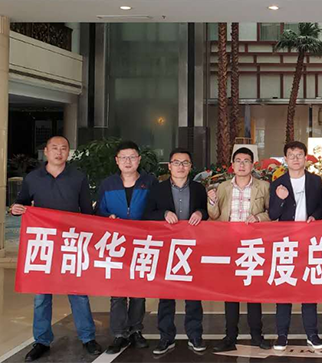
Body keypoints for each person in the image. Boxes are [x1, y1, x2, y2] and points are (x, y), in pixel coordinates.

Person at [11, 136, 103, 361]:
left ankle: (88, 337)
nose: (59, 152)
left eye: (64, 148)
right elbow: (22, 203)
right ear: (46, 151)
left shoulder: (78, 177)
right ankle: (42, 340)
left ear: (68, 153)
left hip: (71, 243)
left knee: (78, 293)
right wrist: (15, 209)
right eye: (54, 148)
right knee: (41, 296)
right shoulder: (33, 178)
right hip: (44, 245)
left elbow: (86, 212)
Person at [143, 148, 209, 355]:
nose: (181, 167)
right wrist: (164, 213)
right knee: (166, 296)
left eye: (185, 163)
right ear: (169, 166)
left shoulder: (199, 188)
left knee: (193, 295)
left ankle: (195, 335)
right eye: (177, 163)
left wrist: (200, 213)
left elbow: (206, 211)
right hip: (167, 248)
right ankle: (166, 337)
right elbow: (148, 213)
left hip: (191, 248)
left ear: (190, 166)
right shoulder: (157, 189)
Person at [207, 147, 272, 352]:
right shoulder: (223, 187)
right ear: (232, 165)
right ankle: (230, 336)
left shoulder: (263, 186)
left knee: (254, 293)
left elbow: (272, 213)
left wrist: (259, 218)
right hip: (229, 245)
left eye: (246, 161)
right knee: (231, 293)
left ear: (253, 165)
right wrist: (212, 200)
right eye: (238, 161)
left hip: (253, 246)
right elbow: (214, 215)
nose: (242, 164)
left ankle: (257, 335)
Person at [95, 140, 156, 354]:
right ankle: (119, 334)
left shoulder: (150, 182)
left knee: (138, 291)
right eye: (123, 158)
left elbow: (157, 209)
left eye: (132, 157)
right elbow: (98, 212)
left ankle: (136, 330)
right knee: (118, 292)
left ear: (139, 159)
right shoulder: (108, 184)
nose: (128, 161)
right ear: (117, 161)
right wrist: (108, 217)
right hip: (116, 245)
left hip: (142, 244)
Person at [268, 141, 322, 351]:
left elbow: (321, 208)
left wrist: (314, 216)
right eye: (291, 155)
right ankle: (282, 335)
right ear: (285, 159)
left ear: (305, 158)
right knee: (284, 288)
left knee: (308, 289)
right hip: (286, 242)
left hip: (309, 241)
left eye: (299, 155)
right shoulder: (277, 183)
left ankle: (312, 334)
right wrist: (281, 199)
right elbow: (273, 214)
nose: (295, 159)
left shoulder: (315, 181)